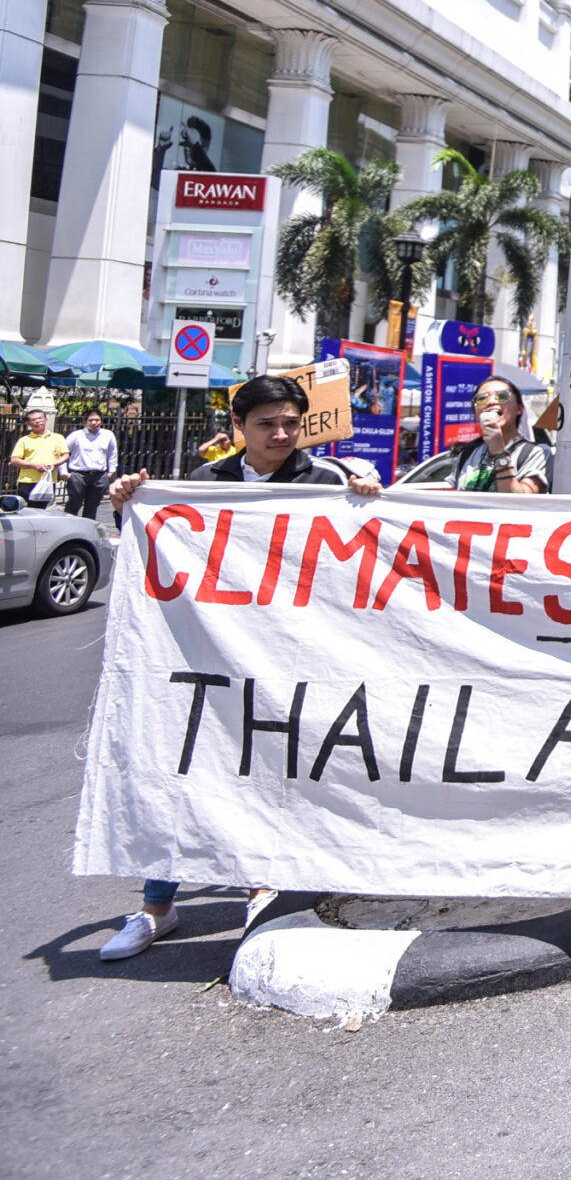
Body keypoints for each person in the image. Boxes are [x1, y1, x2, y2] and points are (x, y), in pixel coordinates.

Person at [97, 376, 382, 961]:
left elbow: (368, 547)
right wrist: (130, 505)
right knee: (186, 765)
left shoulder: (326, 481)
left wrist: (373, 496)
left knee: (270, 766)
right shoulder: (204, 483)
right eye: (266, 424)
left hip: (291, 652)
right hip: (211, 651)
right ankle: (157, 905)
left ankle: (263, 884)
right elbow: (153, 552)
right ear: (238, 428)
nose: (281, 434)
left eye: (290, 424)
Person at [448, 377, 550, 492]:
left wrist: (499, 453)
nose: (491, 402)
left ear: (520, 409)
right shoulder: (468, 452)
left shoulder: (536, 453)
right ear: (476, 413)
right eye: (482, 398)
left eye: (502, 396)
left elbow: (518, 502)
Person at [62, 409, 116, 520]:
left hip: (99, 476)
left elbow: (112, 453)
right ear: (85, 422)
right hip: (78, 475)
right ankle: (67, 528)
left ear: (101, 422)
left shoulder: (108, 435)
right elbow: (62, 452)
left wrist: (111, 472)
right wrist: (64, 472)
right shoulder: (76, 435)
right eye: (91, 420)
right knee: (74, 504)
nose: (94, 423)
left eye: (97, 420)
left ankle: (87, 530)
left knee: (92, 507)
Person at [10, 404, 65, 496]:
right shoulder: (24, 440)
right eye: (33, 419)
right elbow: (14, 460)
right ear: (28, 423)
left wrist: (53, 465)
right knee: (26, 509)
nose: (37, 421)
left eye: (40, 418)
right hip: (28, 481)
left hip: (49, 480)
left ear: (46, 420)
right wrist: (34, 465)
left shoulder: (58, 438)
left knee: (42, 509)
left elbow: (65, 456)